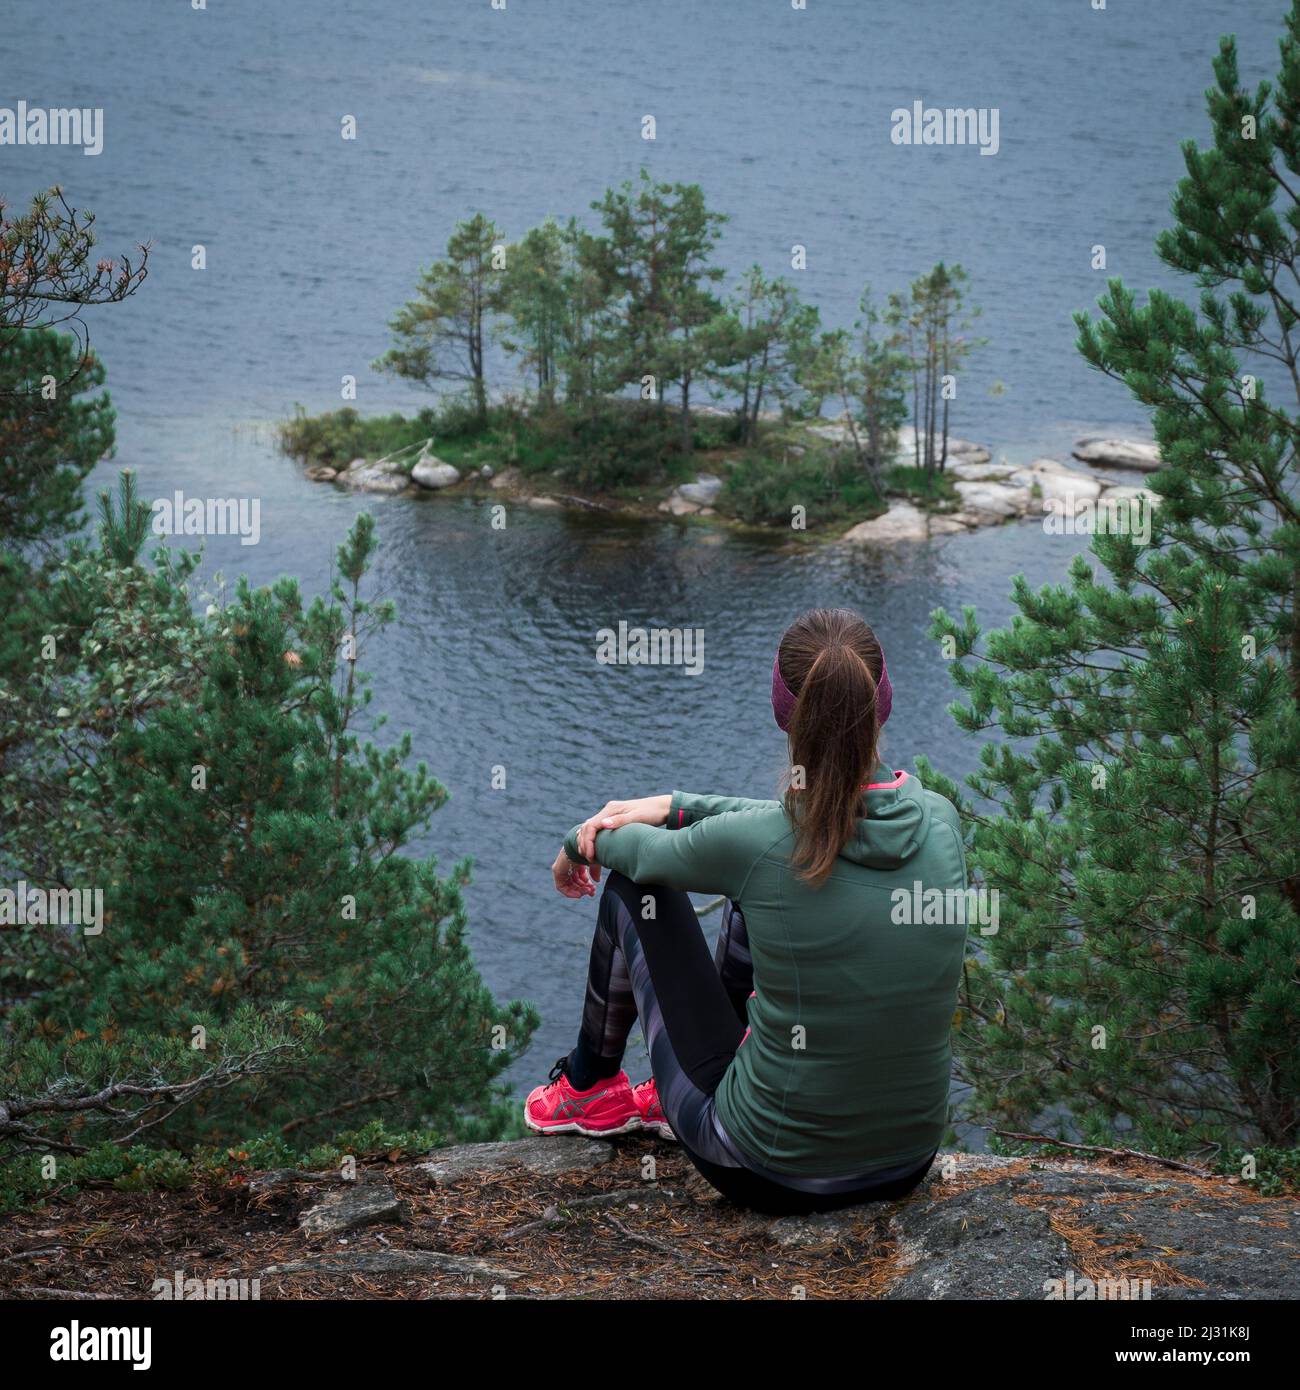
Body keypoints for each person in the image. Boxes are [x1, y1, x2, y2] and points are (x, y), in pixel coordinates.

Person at [525, 607, 969, 1215]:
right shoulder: (941, 821)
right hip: (906, 1162)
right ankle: (716, 1060)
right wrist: (675, 804)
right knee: (755, 900)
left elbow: (647, 855)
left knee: (636, 888)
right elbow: (776, 827)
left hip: (764, 1166)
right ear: (881, 703)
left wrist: (577, 839)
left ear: (783, 711)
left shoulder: (763, 846)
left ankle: (588, 1088)